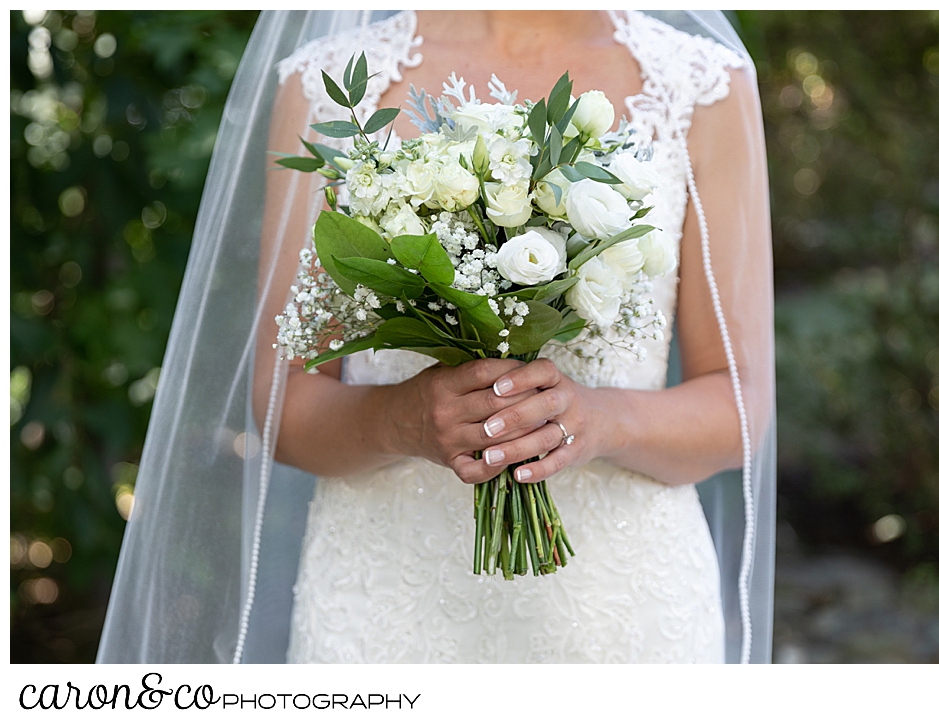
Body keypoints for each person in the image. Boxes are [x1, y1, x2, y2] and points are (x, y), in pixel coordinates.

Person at [97, 9, 775, 665]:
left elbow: (737, 406)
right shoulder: (329, 88)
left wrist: (599, 419)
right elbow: (285, 406)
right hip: (386, 612)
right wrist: (405, 420)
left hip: (626, 617)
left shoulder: (703, 86)